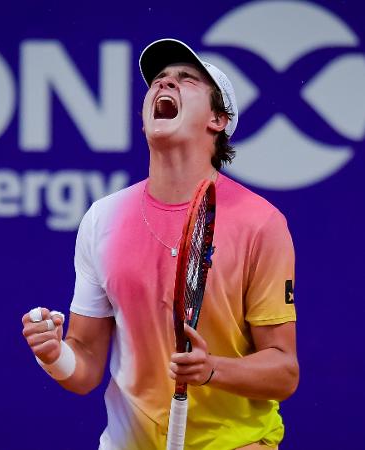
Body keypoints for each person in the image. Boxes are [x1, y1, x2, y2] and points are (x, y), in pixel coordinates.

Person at [21, 38, 299, 450]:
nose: (164, 85)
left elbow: (283, 371)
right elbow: (84, 369)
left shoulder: (261, 223)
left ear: (218, 119)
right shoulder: (103, 218)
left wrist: (211, 369)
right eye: (159, 81)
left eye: (186, 80)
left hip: (236, 444)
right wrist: (53, 354)